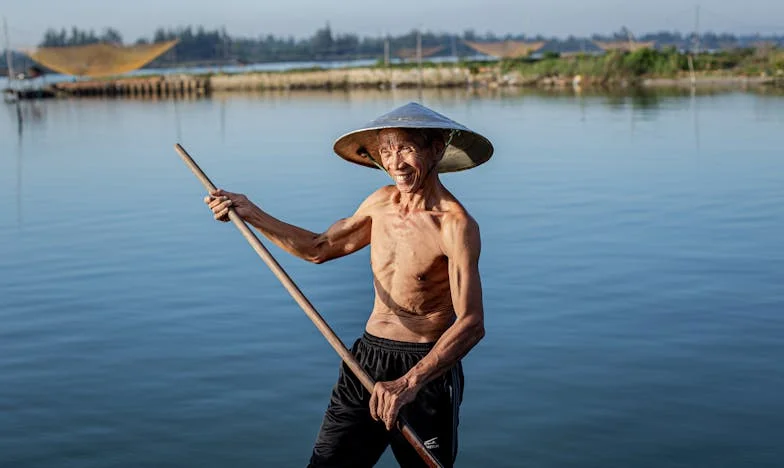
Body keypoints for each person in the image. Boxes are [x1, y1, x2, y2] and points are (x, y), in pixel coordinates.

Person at [205, 102, 493, 467]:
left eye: (406, 148)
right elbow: (319, 248)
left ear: (436, 149)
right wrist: (250, 212)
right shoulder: (380, 204)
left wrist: (409, 383)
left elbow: (471, 323)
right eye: (386, 150)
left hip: (425, 370)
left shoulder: (455, 225)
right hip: (366, 362)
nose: (395, 162)